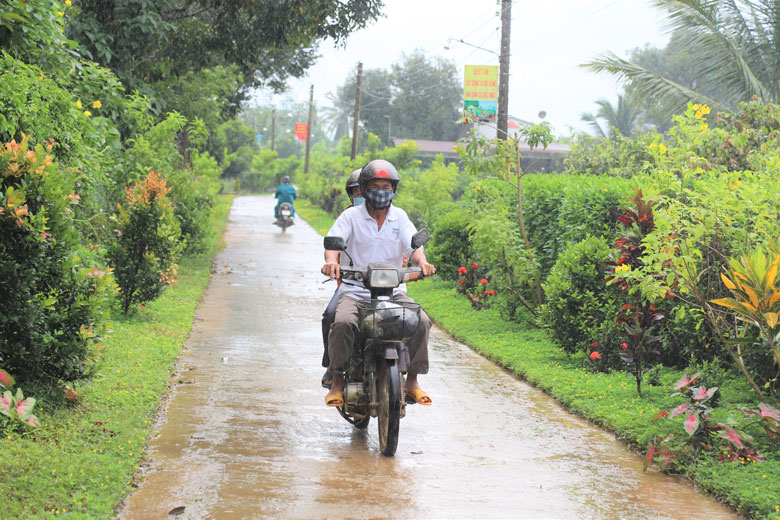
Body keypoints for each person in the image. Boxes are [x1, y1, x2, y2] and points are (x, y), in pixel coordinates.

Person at [321, 159, 436, 407]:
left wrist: (423, 262)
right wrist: (332, 262)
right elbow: (333, 243)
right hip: (356, 292)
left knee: (422, 321)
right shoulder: (351, 216)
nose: (381, 191)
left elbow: (413, 248)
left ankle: (412, 380)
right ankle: (338, 379)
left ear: (393, 189)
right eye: (375, 186)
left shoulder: (400, 217)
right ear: (364, 188)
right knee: (341, 322)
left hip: (394, 292)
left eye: (386, 186)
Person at [321, 169, 363, 388]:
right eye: (358, 192)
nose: (363, 196)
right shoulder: (346, 217)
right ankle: (331, 365)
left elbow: (404, 249)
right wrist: (333, 262)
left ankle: (403, 367)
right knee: (331, 316)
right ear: (351, 195)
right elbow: (333, 245)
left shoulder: (395, 216)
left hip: (385, 286)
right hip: (352, 285)